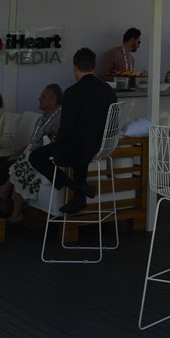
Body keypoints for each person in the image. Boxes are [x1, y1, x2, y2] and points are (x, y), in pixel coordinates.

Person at [30, 47, 116, 214]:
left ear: (75, 67)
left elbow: (67, 128)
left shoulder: (72, 93)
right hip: (103, 144)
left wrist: (57, 142)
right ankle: (79, 195)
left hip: (82, 147)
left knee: (37, 156)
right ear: (93, 66)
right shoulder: (108, 90)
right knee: (80, 143)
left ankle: (78, 187)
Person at [0, 85, 63, 223]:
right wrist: (18, 152)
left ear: (53, 100)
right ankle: (8, 208)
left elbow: (48, 143)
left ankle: (6, 198)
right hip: (30, 153)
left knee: (13, 165)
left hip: (44, 156)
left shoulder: (60, 117)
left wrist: (20, 155)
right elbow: (33, 142)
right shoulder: (42, 119)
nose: (39, 99)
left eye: (43, 96)